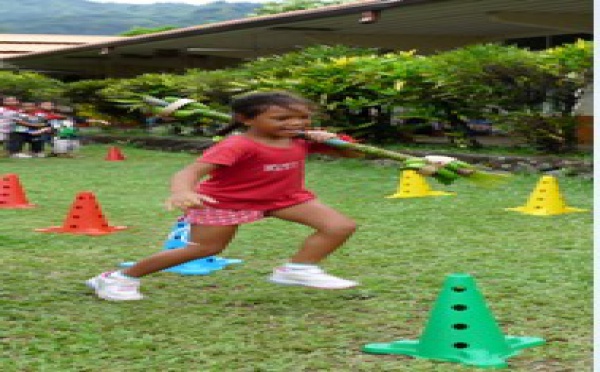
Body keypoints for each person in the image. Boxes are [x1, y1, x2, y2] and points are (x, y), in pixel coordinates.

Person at [87, 91, 363, 301]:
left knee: (340, 226)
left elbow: (355, 154)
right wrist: (183, 191)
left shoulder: (301, 140)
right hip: (227, 202)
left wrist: (333, 140)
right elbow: (191, 171)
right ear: (246, 120)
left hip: (284, 198)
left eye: (302, 118)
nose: (295, 123)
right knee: (204, 249)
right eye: (281, 119)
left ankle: (298, 268)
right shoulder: (238, 144)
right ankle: (117, 278)